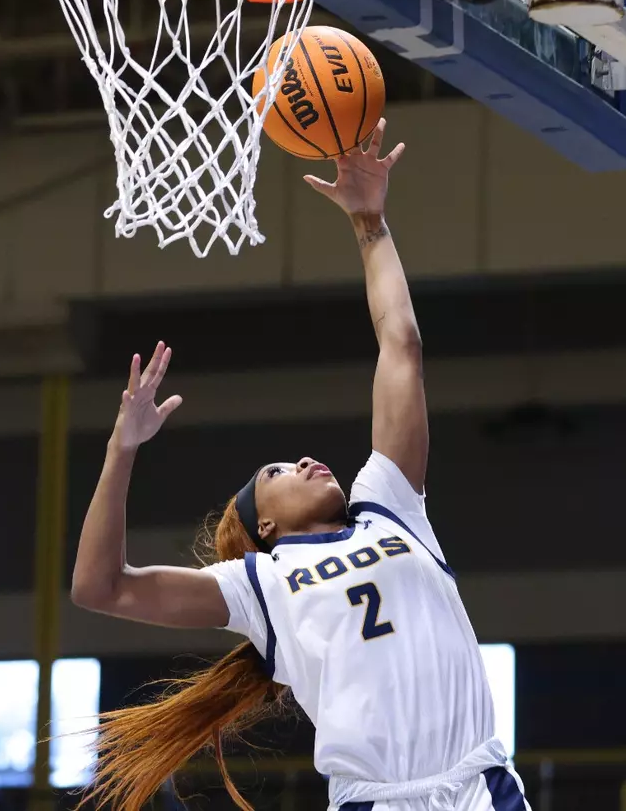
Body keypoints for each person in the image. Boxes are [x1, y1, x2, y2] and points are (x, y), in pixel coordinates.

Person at [69, 120, 526, 811]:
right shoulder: (259, 583)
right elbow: (99, 588)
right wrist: (119, 451)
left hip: (479, 789)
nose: (306, 460)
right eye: (277, 472)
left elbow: (399, 345)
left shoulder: (390, 506)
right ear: (267, 530)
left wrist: (369, 224)